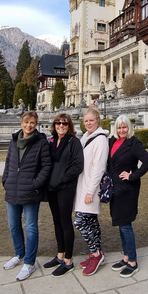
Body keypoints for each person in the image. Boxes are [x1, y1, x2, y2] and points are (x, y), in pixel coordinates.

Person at [2, 110, 52, 281]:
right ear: (21, 123)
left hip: (30, 191)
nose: (29, 125)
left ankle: (29, 263)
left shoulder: (41, 141)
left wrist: (35, 184)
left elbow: (46, 166)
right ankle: (18, 254)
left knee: (30, 227)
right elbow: (9, 162)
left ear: (36, 124)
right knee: (13, 225)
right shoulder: (15, 140)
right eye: (26, 122)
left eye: (32, 122)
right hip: (12, 189)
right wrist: (5, 181)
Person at [107, 115, 148, 277]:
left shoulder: (134, 143)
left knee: (126, 225)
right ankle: (126, 257)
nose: (121, 130)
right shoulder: (112, 141)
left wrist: (132, 175)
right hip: (114, 189)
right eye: (119, 128)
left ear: (129, 128)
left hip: (127, 189)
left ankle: (132, 261)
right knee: (120, 223)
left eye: (124, 127)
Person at [43, 114, 84, 277]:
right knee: (56, 221)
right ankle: (60, 254)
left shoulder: (73, 142)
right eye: (58, 123)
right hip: (52, 187)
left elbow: (78, 165)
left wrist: (62, 179)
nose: (61, 125)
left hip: (65, 187)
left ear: (69, 126)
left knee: (65, 221)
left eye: (64, 123)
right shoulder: (52, 141)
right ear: (54, 125)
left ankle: (68, 260)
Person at [74, 107, 109, 276]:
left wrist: (90, 191)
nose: (88, 123)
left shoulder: (101, 139)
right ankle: (97, 253)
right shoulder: (85, 137)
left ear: (98, 121)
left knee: (80, 222)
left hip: (91, 189)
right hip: (83, 186)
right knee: (92, 223)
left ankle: (95, 253)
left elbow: (99, 167)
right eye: (86, 120)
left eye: (91, 120)